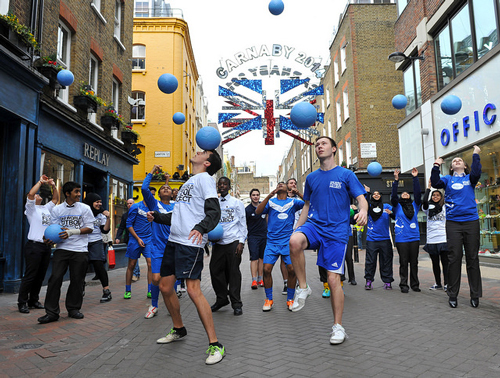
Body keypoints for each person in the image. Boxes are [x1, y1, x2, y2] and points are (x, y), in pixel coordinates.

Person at [148, 149, 225, 365]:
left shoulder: (205, 179)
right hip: (174, 241)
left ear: (207, 162)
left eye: (203, 152)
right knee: (164, 286)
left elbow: (214, 211)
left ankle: (215, 344)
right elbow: (180, 214)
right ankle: (179, 328)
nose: (198, 151)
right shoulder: (190, 182)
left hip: (190, 244)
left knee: (193, 290)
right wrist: (158, 217)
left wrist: (201, 228)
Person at [289, 136, 367, 345]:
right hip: (314, 225)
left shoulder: (346, 174)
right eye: (316, 145)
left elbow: (361, 198)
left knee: (333, 280)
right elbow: (306, 206)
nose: (319, 146)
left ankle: (338, 327)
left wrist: (364, 211)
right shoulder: (312, 178)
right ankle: (303, 287)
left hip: (336, 232)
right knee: (294, 241)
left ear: (333, 149)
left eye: (323, 144)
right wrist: (297, 229)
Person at [431, 145, 482, 308]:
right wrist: (436, 165)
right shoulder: (447, 179)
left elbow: (476, 172)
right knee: (454, 258)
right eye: (454, 161)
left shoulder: (470, 179)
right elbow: (435, 181)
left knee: (472, 258)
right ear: (451, 167)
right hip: (453, 223)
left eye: (460, 160)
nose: (457, 161)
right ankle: (452, 294)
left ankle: (475, 295)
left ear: (464, 166)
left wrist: (475, 155)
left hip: (471, 221)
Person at [38, 181, 94, 324]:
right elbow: (53, 229)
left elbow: (90, 228)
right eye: (76, 191)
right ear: (68, 193)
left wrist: (72, 232)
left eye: (79, 191)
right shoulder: (57, 210)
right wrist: (48, 239)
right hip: (62, 249)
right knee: (55, 279)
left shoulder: (85, 208)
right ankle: (51, 313)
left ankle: (73, 309)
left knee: (77, 280)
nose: (79, 194)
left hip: (79, 250)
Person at [255, 182, 304, 311]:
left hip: (288, 242)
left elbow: (309, 203)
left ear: (287, 188)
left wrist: (298, 192)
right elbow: (258, 211)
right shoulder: (270, 202)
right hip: (272, 242)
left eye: (283, 184)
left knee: (292, 270)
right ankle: (268, 299)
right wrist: (268, 196)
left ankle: (290, 299)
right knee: (266, 269)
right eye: (278, 184)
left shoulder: (293, 202)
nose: (280, 185)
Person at [18, 175, 59, 314]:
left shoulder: (45, 208)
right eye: (36, 195)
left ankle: (33, 300)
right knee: (30, 275)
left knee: (40, 275)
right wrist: (41, 182)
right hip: (34, 246)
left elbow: (55, 199)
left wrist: (53, 185)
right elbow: (30, 194)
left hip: (46, 246)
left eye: (38, 194)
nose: (37, 195)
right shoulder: (30, 209)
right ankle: (22, 302)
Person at [210, 177, 247, 315]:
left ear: (229, 186)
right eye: (220, 184)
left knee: (233, 274)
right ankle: (221, 299)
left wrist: (241, 242)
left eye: (225, 184)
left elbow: (243, 223)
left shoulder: (237, 203)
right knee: (214, 270)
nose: (222, 186)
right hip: (218, 242)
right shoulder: (214, 203)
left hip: (233, 242)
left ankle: (236, 304)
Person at [142, 165, 174, 318]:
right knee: (156, 278)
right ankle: (154, 305)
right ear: (159, 193)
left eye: (168, 188)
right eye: (163, 188)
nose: (166, 189)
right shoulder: (155, 204)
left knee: (170, 279)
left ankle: (171, 304)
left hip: (173, 246)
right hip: (157, 247)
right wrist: (152, 171)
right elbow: (143, 188)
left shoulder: (177, 206)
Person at [391, 168, 422, 293]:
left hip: (414, 238)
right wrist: (396, 180)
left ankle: (415, 284)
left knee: (414, 262)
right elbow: (393, 196)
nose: (405, 194)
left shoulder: (415, 205)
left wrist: (415, 178)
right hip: (401, 239)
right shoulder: (397, 207)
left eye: (407, 194)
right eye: (402, 194)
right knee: (404, 262)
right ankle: (404, 284)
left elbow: (418, 194)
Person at [83, 193, 112, 303]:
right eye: (97, 202)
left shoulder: (101, 215)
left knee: (99, 265)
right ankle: (80, 288)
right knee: (81, 267)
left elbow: (105, 230)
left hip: (96, 241)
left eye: (100, 202)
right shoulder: (83, 212)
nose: (99, 204)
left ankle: (106, 291)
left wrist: (108, 218)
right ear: (91, 202)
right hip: (83, 242)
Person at [363, 185, 394, 290]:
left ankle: (387, 281)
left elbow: (395, 215)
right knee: (370, 262)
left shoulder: (386, 207)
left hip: (385, 239)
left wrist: (392, 213)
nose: (376, 195)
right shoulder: (369, 207)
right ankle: (369, 281)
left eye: (378, 194)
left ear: (381, 196)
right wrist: (366, 193)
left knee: (386, 261)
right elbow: (364, 205)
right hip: (372, 239)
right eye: (374, 194)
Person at [422, 180, 448, 291]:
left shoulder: (445, 207)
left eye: (438, 195)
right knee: (435, 263)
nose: (435, 197)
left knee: (445, 263)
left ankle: (447, 283)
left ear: (441, 197)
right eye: (433, 195)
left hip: (443, 238)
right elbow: (424, 201)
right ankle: (438, 283)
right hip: (432, 239)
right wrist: (428, 188)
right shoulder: (427, 208)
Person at [124, 197, 153, 299]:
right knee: (131, 265)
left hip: (148, 239)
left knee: (150, 264)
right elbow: (129, 224)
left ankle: (150, 290)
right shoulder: (136, 206)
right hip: (135, 239)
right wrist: (137, 238)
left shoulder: (153, 207)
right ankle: (128, 290)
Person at [245, 188, 266, 289]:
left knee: (261, 258)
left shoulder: (264, 207)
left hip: (264, 236)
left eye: (257, 195)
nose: (255, 197)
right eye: (253, 195)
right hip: (253, 237)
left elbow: (268, 219)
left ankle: (260, 279)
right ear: (250, 197)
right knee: (254, 258)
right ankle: (254, 280)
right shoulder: (247, 210)